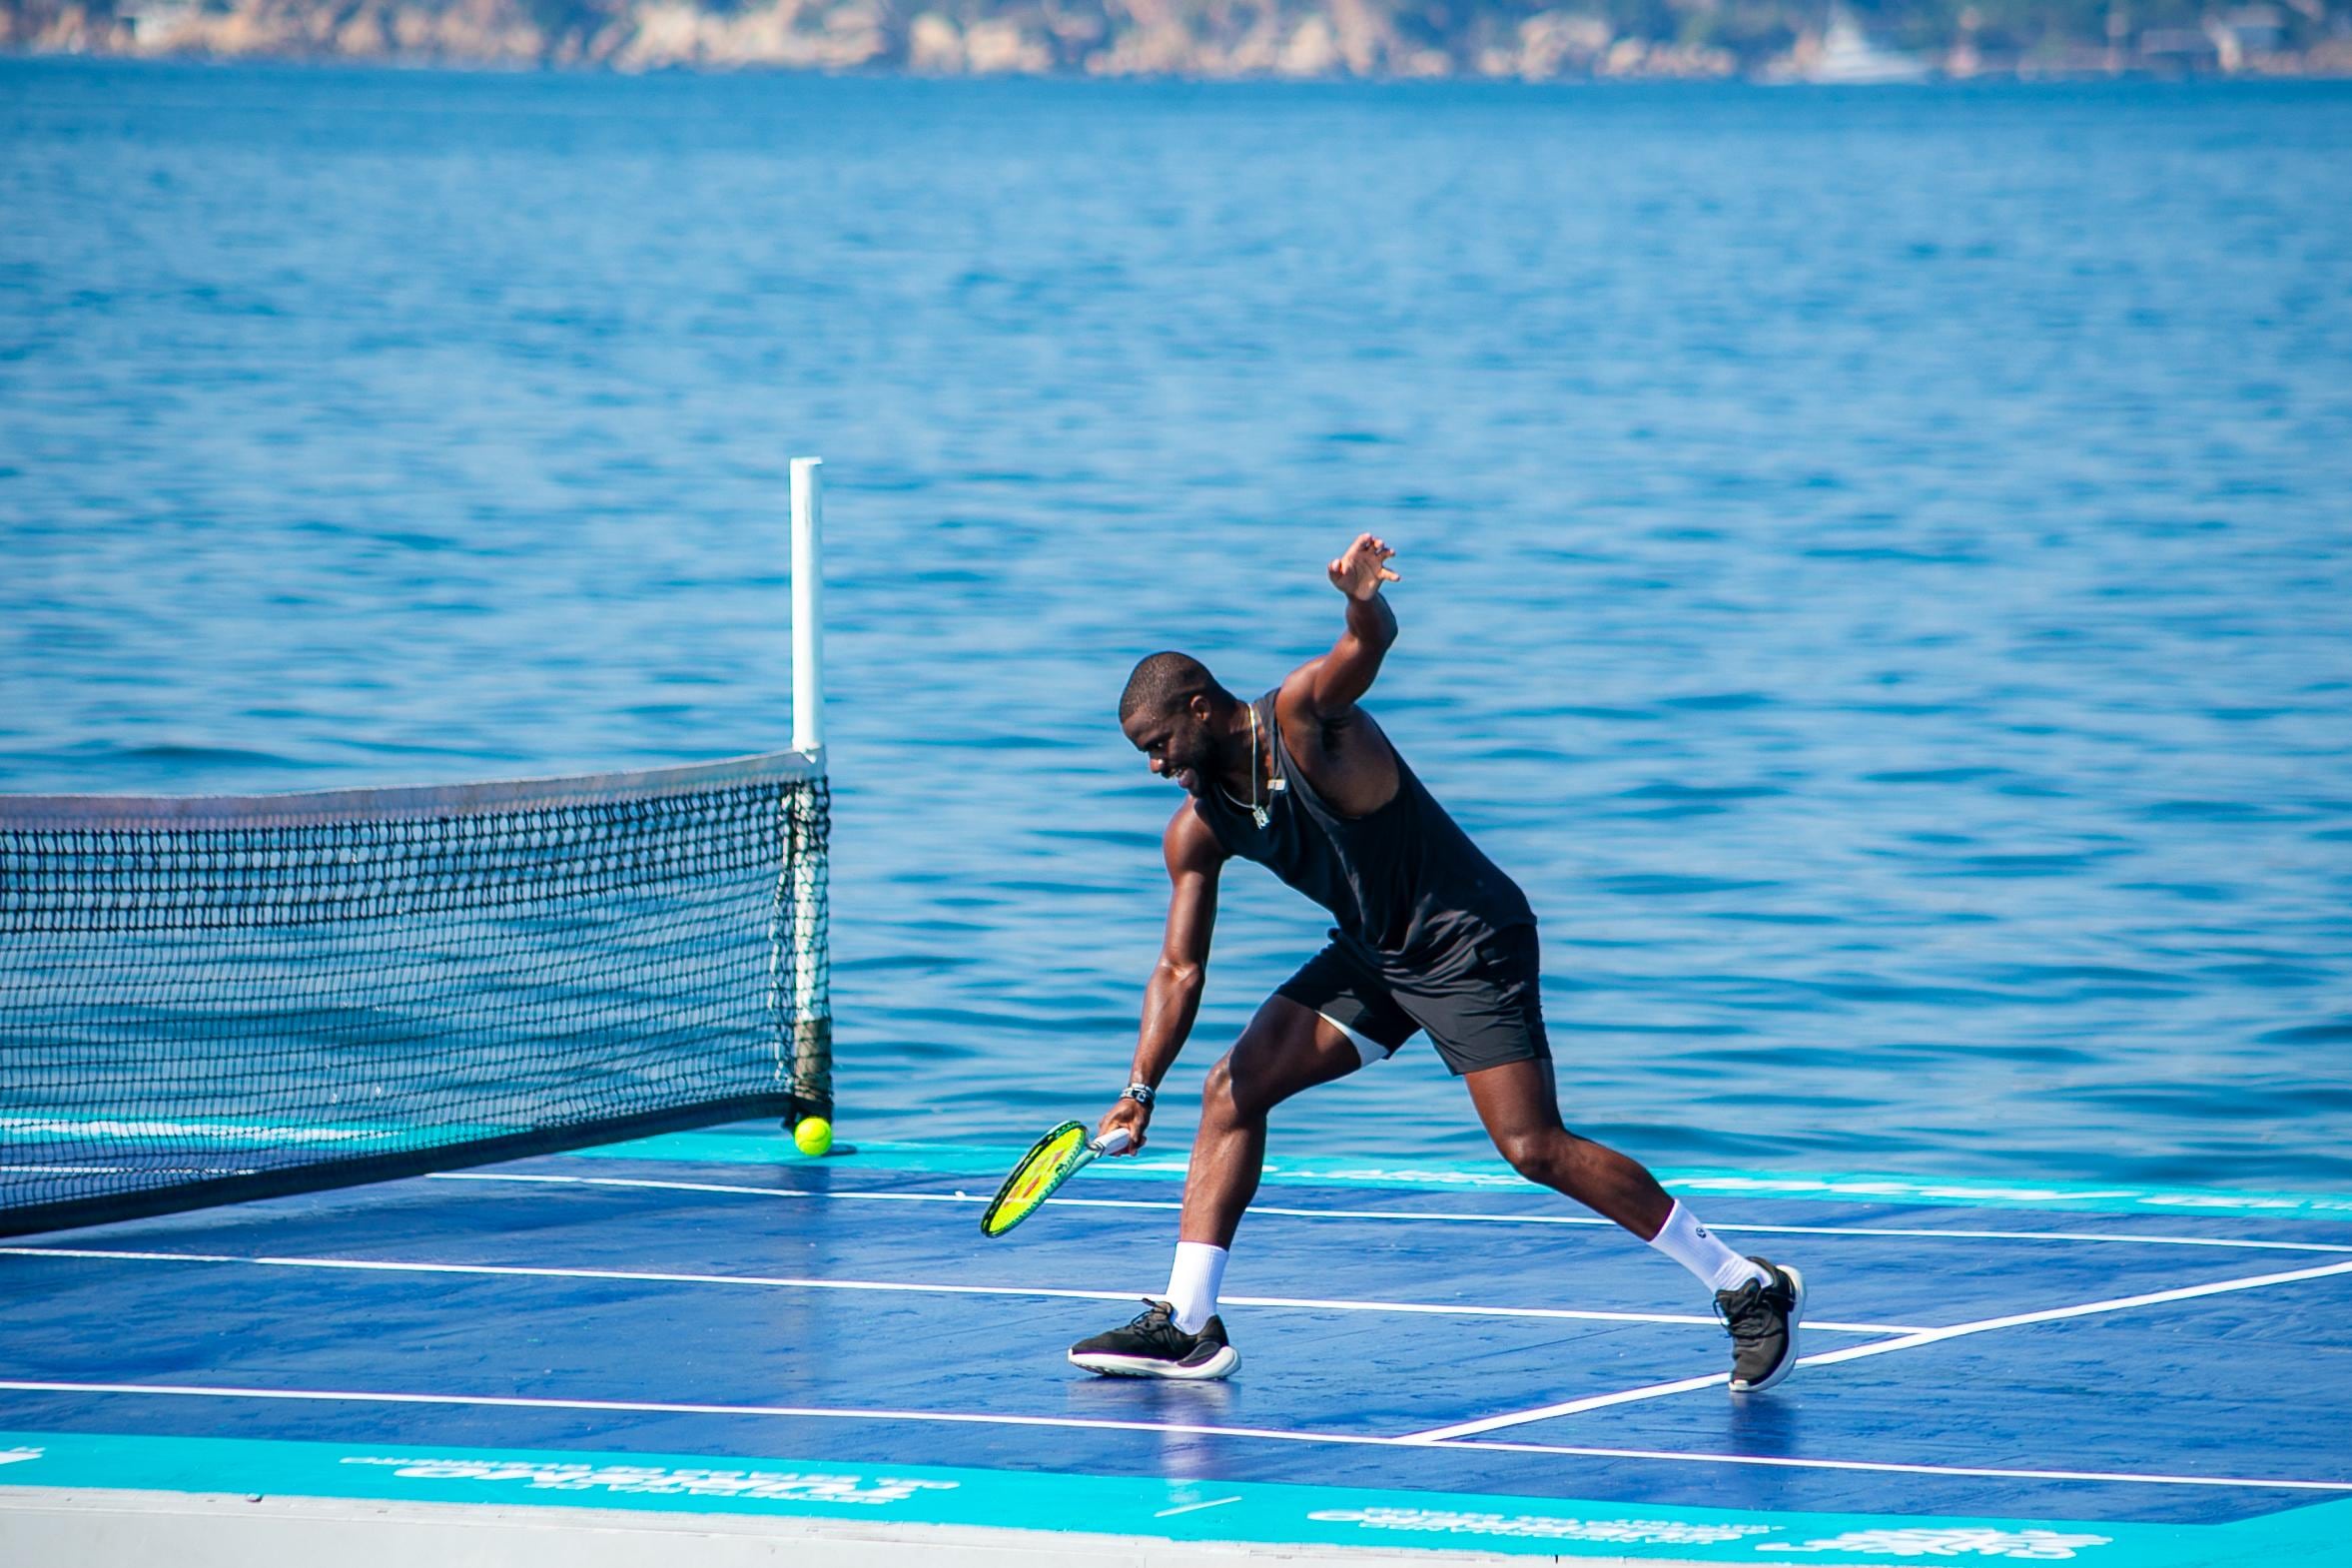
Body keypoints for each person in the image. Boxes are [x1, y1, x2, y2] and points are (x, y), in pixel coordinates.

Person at [1067, 533, 1803, 1389]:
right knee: (1233, 1088)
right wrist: (1137, 1087)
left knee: (1531, 1146)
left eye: (1159, 746)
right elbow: (1178, 969)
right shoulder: (1198, 828)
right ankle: (1188, 1323)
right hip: (1375, 954)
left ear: (1199, 708)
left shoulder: (1303, 722)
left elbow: (1361, 648)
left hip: (1467, 940)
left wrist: (1361, 598)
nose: (1156, 769)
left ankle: (1743, 1285)